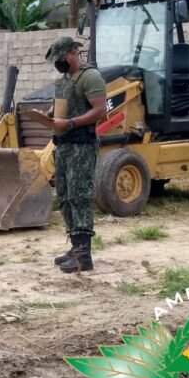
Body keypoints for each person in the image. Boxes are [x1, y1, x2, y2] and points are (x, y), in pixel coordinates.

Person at [44, 36, 107, 273]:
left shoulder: (90, 77)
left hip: (81, 145)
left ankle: (83, 255)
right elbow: (61, 107)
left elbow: (100, 111)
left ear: (73, 52)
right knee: (65, 196)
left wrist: (70, 123)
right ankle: (75, 247)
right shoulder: (64, 81)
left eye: (60, 58)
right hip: (63, 145)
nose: (58, 63)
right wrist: (48, 115)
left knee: (80, 195)